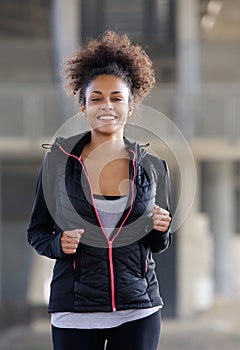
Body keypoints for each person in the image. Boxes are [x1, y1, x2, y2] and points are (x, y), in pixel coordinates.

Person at [27, 31, 172, 350]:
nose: (107, 105)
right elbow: (37, 231)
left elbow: (157, 244)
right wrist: (58, 245)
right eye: (96, 98)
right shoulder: (57, 164)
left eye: (117, 98)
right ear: (83, 106)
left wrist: (161, 229)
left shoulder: (153, 167)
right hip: (74, 312)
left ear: (131, 106)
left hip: (139, 310)